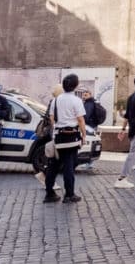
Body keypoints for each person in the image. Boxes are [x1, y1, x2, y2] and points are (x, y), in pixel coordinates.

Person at [44, 73, 87, 204]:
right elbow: (80, 119)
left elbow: (51, 118)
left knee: (53, 165)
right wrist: (84, 135)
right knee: (69, 166)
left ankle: (49, 193)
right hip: (71, 137)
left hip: (58, 136)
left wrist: (57, 128)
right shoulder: (77, 100)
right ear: (76, 85)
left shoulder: (56, 100)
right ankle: (69, 194)